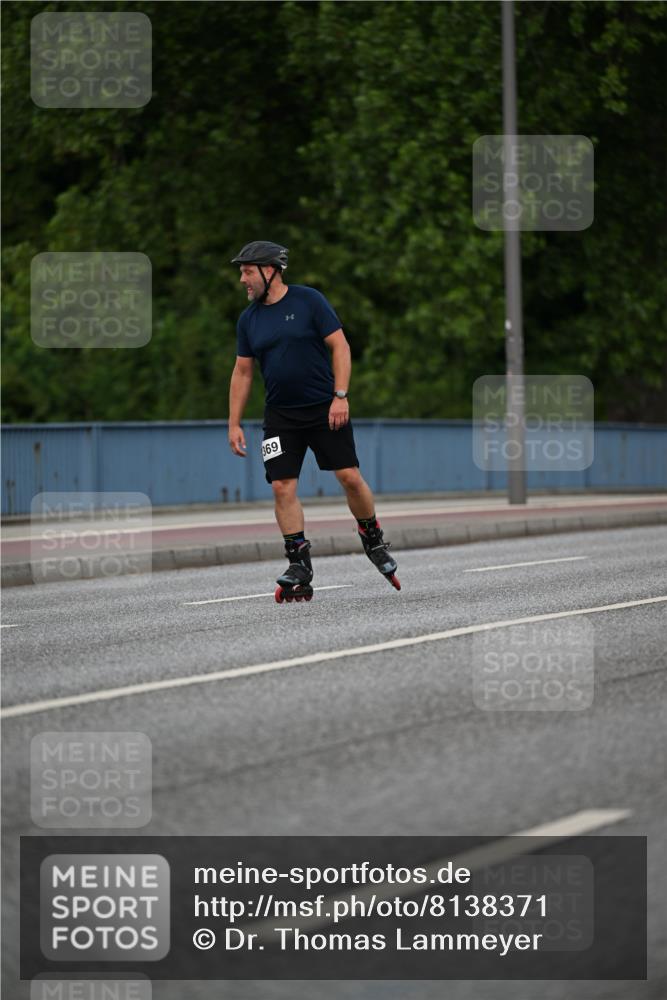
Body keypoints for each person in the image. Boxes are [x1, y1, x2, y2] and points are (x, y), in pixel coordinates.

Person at [227, 240, 400, 601]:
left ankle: (372, 537)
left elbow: (341, 346)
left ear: (269, 270)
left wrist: (341, 395)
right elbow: (243, 372)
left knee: (349, 477)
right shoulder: (249, 320)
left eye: (246, 271)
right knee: (281, 486)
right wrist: (233, 422)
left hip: (324, 407)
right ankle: (299, 563)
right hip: (280, 416)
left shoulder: (309, 301)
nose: (242, 279)